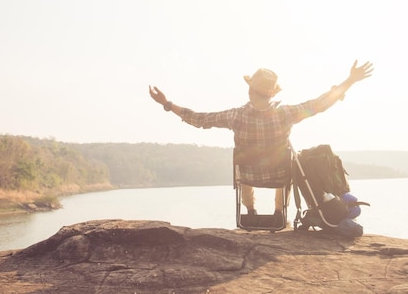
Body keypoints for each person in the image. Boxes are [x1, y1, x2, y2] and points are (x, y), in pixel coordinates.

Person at [148, 60, 374, 220]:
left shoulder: (235, 116)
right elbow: (320, 104)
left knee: (244, 159)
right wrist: (350, 80)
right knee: (286, 160)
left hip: (247, 175)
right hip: (280, 176)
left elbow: (199, 119)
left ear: (250, 92)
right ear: (272, 94)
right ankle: (279, 213)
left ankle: (250, 212)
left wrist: (167, 104)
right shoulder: (285, 114)